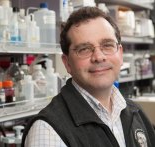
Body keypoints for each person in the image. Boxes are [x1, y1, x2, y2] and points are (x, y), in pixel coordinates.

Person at [21, 7, 155, 147]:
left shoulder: (136, 113)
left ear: (120, 54)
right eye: (84, 49)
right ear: (67, 63)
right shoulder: (48, 131)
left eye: (107, 45)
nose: (99, 57)